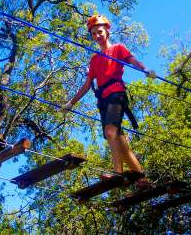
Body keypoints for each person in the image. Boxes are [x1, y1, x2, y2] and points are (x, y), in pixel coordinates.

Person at [60, 15, 156, 189]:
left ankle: (118, 174)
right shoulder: (95, 59)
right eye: (94, 34)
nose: (97, 35)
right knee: (120, 142)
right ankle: (141, 178)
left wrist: (145, 69)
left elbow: (133, 61)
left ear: (107, 31)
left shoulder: (118, 48)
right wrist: (71, 103)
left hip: (116, 95)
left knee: (110, 132)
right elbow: (87, 84)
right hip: (103, 101)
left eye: (100, 31)